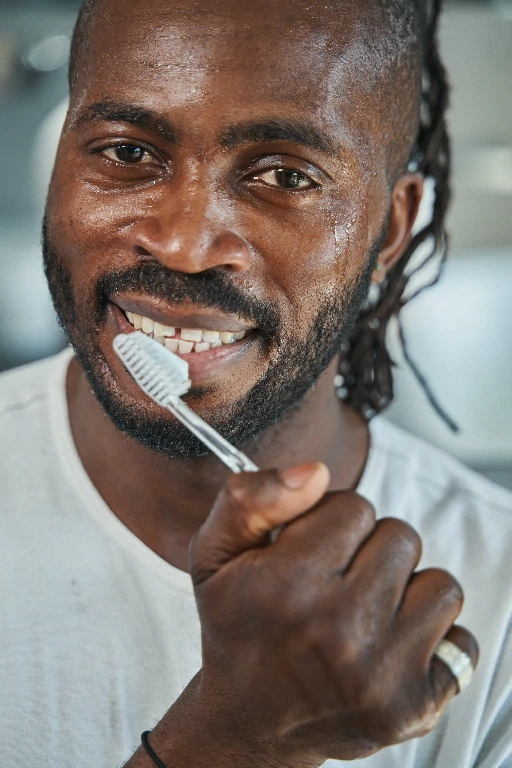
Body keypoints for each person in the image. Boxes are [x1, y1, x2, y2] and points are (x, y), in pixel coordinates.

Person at [1, 0, 511, 765]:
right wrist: (241, 737)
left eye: (285, 175)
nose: (183, 244)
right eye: (128, 153)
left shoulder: (500, 592)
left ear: (391, 231)